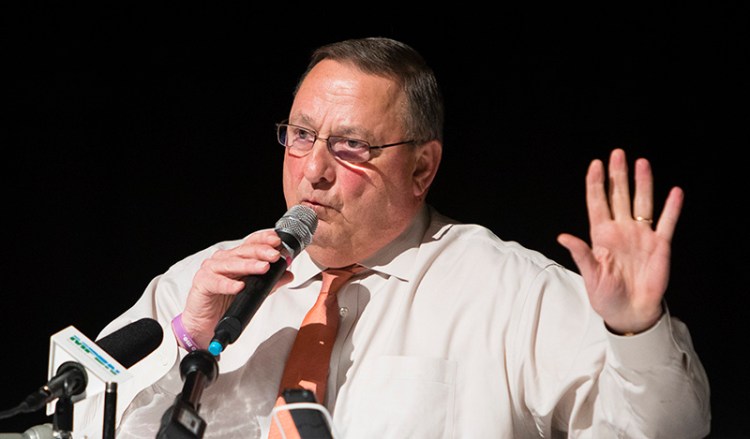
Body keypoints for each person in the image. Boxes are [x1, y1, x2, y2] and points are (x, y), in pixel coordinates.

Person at [75, 37, 710, 438]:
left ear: (422, 168)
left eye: (351, 146)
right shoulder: (203, 284)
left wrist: (636, 332)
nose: (314, 169)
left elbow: (662, 431)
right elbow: (73, 420)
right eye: (301, 136)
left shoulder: (512, 293)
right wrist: (187, 339)